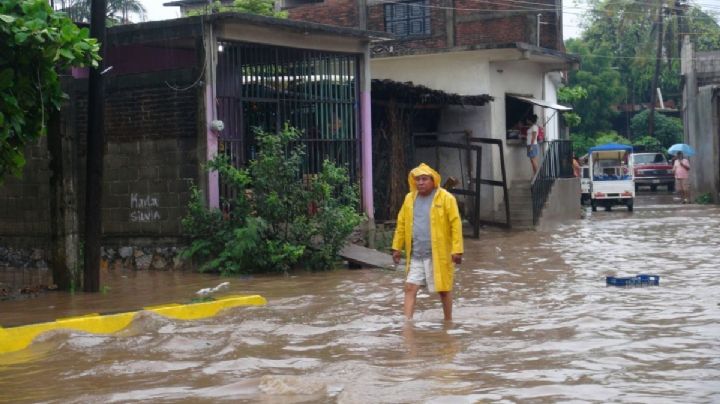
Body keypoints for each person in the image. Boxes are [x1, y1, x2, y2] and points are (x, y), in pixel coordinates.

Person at [391, 163, 464, 322]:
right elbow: (401, 224)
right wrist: (397, 247)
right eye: (417, 179)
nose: (420, 183)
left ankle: (448, 321)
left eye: (424, 179)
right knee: (410, 287)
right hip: (417, 253)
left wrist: (457, 250)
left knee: (443, 290)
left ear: (433, 180)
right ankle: (407, 324)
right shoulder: (409, 199)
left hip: (438, 255)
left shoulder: (446, 198)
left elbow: (455, 224)